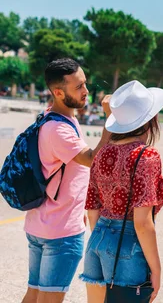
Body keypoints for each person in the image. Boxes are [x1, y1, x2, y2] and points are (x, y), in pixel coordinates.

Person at [22, 58, 112, 303]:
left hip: (41, 223)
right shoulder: (59, 130)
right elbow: (94, 159)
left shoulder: (51, 117)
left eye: (84, 84)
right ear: (58, 92)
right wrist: (110, 119)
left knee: (34, 294)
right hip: (60, 232)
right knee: (48, 298)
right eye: (78, 87)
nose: (86, 91)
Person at [79, 81, 163, 303]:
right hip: (127, 242)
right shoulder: (146, 156)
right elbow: (142, 222)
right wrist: (156, 270)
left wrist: (103, 239)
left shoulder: (102, 154)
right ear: (149, 120)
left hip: (97, 238)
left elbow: (92, 209)